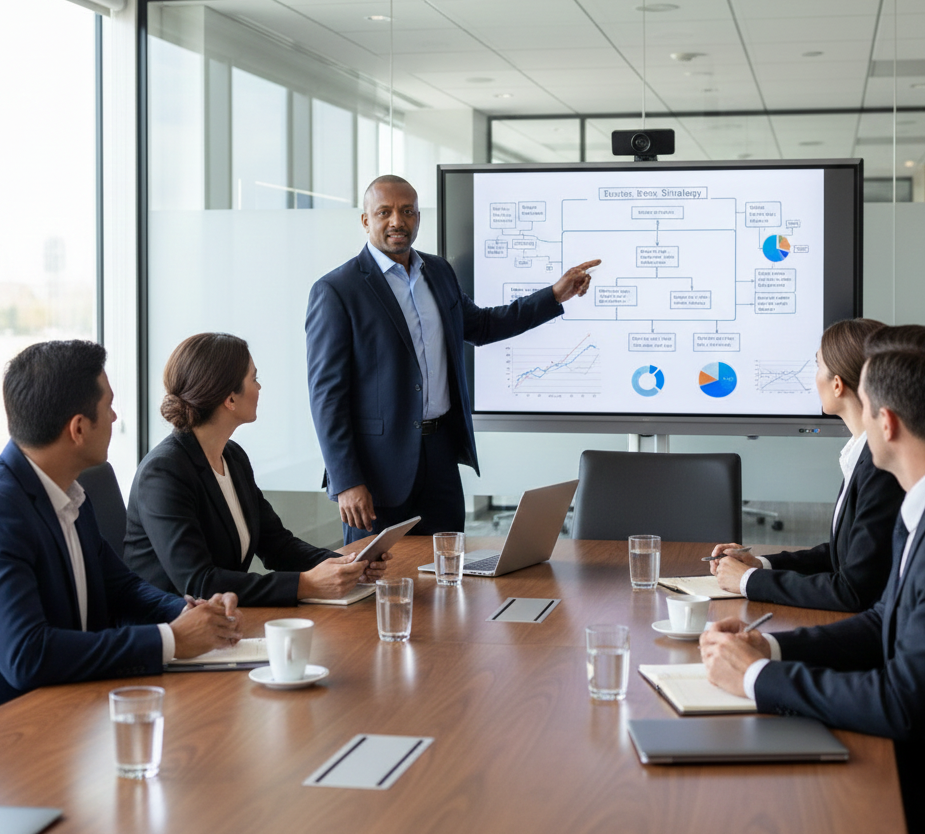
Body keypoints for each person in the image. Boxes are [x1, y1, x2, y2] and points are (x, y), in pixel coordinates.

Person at [700, 338, 925, 826]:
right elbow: (881, 619)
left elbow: (903, 702)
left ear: (884, 423)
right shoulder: (916, 511)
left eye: (864, 409)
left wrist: (756, 678)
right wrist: (772, 648)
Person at [306, 174, 601, 544]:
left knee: (447, 572)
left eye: (408, 211)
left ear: (417, 218)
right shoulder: (337, 290)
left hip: (440, 457)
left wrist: (554, 296)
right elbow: (326, 396)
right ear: (366, 221)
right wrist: (346, 480)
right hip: (377, 470)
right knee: (375, 584)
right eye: (385, 212)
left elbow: (483, 326)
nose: (398, 221)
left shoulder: (439, 272)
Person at [0, 340, 242, 705]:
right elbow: (27, 655)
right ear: (78, 428)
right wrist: (171, 640)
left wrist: (188, 612)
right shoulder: (6, 511)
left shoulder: (71, 491)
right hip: (26, 727)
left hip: (85, 705)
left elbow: (123, 588)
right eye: (109, 406)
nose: (115, 418)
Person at [124, 333, 388, 606]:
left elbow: (277, 546)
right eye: (254, 379)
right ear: (230, 399)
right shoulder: (164, 473)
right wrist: (305, 584)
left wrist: (345, 564)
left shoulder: (233, 457)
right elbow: (200, 583)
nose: (259, 388)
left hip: (222, 620)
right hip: (170, 628)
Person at [708, 318, 904, 611]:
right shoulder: (862, 454)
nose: (814, 377)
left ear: (837, 384)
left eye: (817, 366)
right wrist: (760, 564)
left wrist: (749, 580)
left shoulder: (880, 468)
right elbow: (844, 555)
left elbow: (852, 590)